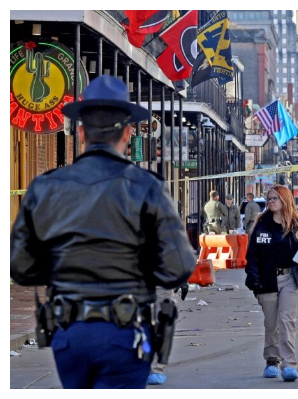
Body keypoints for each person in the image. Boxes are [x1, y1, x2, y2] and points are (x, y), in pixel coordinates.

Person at [9, 75, 196, 389]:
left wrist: (61, 263)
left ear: (80, 131)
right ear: (127, 133)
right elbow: (178, 267)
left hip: (70, 332)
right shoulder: (147, 186)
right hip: (126, 330)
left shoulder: (46, 186)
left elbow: (21, 268)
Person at [244, 185, 298, 382]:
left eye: (275, 198)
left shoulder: (297, 226)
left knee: (287, 321)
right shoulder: (261, 226)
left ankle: (289, 365)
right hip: (267, 279)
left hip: (290, 279)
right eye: (269, 198)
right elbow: (252, 256)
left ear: (285, 200)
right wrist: (253, 279)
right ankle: (271, 360)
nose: (271, 201)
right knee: (271, 324)